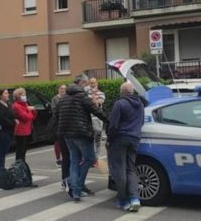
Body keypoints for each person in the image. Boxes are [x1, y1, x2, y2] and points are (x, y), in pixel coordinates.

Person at [56, 74, 108, 202]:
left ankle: (75, 192)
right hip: (81, 133)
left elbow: (57, 114)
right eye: (86, 84)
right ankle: (76, 185)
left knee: (74, 161)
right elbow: (95, 110)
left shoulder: (64, 97)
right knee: (90, 159)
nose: (87, 87)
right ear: (82, 83)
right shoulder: (82, 96)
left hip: (67, 134)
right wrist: (109, 120)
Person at [107, 82, 144, 212]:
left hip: (120, 139)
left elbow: (113, 125)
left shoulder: (119, 103)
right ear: (132, 92)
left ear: (122, 92)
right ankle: (135, 198)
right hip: (135, 138)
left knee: (119, 170)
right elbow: (142, 122)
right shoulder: (140, 104)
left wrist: (109, 140)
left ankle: (123, 200)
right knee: (131, 169)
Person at [0, 89, 17, 171]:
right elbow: (1, 119)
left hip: (8, 132)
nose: (8, 94)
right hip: (0, 133)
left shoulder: (7, 104)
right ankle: (0, 171)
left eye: (8, 93)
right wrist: (13, 122)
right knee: (0, 153)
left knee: (3, 152)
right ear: (0, 96)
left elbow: (11, 115)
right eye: (5, 93)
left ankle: (1, 169)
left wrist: (14, 120)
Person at [12, 88, 36, 162]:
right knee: (20, 151)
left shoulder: (25, 104)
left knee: (24, 151)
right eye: (23, 95)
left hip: (27, 130)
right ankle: (19, 168)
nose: (25, 96)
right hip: (20, 131)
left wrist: (33, 110)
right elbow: (25, 117)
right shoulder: (16, 106)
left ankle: (23, 167)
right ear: (18, 96)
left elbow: (33, 117)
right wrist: (29, 110)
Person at [86, 78, 106, 166]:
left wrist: (93, 95)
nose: (92, 85)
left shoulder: (101, 94)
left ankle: (96, 159)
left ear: (96, 83)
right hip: (88, 119)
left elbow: (97, 104)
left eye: (94, 83)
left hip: (97, 120)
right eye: (91, 83)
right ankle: (90, 159)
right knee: (89, 140)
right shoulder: (86, 94)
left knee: (97, 140)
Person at [51, 85, 66, 168]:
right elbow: (54, 110)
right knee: (57, 141)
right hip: (58, 122)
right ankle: (58, 159)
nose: (63, 90)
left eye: (64, 89)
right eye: (61, 88)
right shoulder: (55, 99)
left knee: (65, 141)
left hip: (66, 123)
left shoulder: (67, 97)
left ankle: (65, 157)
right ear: (58, 89)